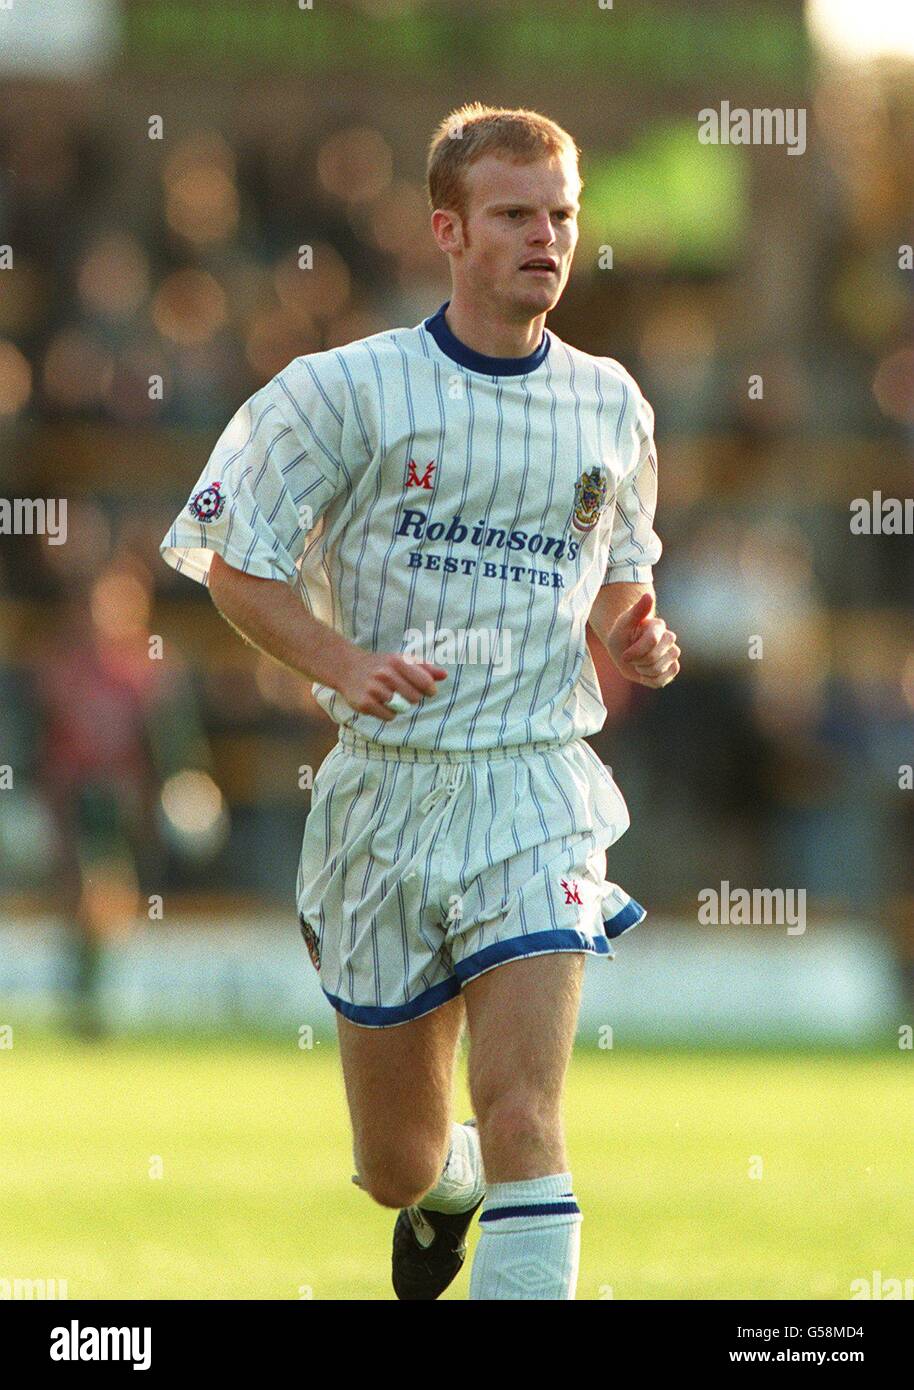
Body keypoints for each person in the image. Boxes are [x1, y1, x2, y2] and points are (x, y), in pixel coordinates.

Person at [160, 102, 680, 1300]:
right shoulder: (341, 391)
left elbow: (617, 567)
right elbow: (232, 559)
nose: (544, 237)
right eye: (512, 215)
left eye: (560, 215)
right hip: (382, 800)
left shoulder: (609, 399)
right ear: (446, 229)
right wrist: (340, 664)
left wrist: (632, 634)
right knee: (395, 1164)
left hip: (534, 783)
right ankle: (440, 1189)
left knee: (525, 1117)